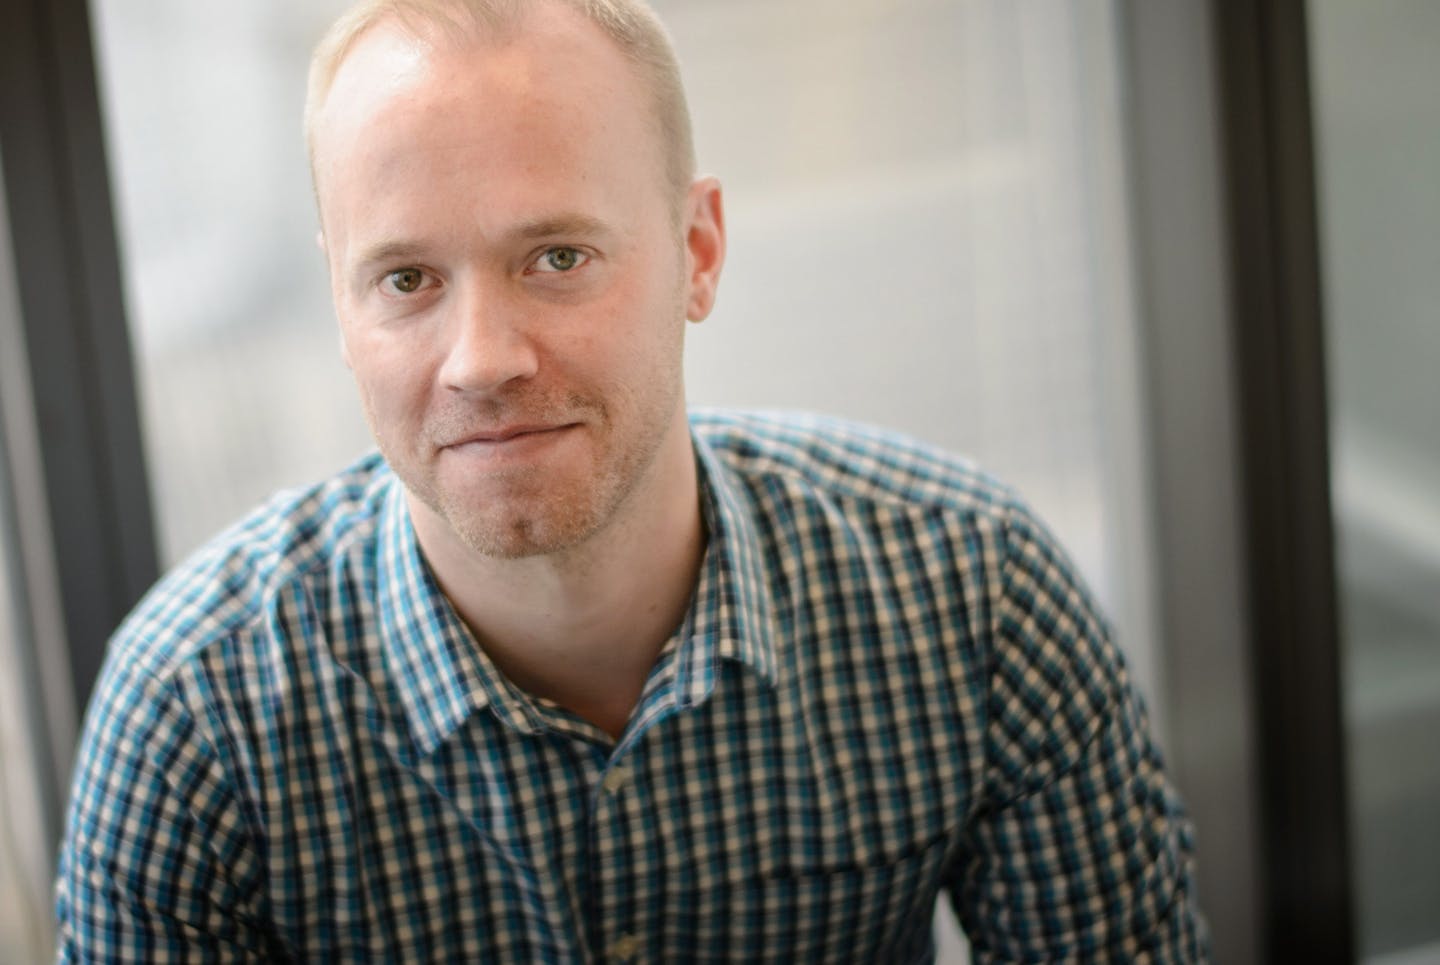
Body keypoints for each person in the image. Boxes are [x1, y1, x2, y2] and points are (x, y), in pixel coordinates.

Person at [56, 0, 1208, 960]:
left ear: (698, 252)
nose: (482, 359)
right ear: (341, 309)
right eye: (406, 278)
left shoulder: (974, 593)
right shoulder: (196, 717)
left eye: (557, 257)